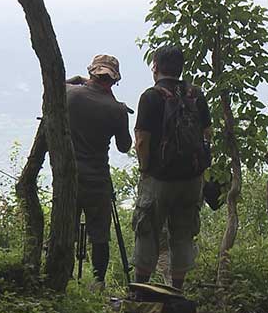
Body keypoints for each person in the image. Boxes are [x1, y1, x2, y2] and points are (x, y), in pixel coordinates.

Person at [132, 45, 211, 290]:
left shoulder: (151, 96)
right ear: (181, 68)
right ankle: (178, 289)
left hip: (159, 178)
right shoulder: (196, 94)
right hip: (191, 179)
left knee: (148, 231)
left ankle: (141, 290)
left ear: (155, 66)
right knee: (183, 233)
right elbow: (207, 134)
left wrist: (145, 168)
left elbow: (142, 140)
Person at [66, 54, 132, 291]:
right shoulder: (116, 110)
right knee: (100, 234)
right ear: (114, 81)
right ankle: (98, 282)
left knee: (65, 227)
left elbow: (58, 86)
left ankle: (61, 279)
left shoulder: (70, 94)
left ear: (91, 73)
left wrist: (77, 79)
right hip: (98, 180)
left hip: (68, 176)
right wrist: (115, 104)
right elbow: (124, 146)